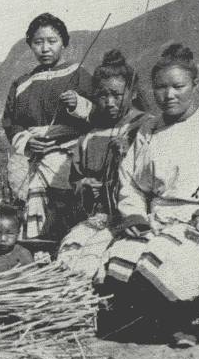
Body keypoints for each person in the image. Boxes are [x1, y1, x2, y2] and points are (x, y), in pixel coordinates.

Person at [94, 44, 199, 346]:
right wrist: (136, 215)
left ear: (195, 85)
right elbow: (130, 181)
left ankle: (181, 320)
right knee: (119, 258)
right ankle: (159, 320)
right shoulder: (148, 129)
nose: (169, 95)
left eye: (178, 86)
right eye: (161, 88)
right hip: (156, 218)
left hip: (198, 219)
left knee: (167, 259)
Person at [2, 13, 93, 249]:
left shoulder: (79, 75)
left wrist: (77, 104)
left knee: (68, 214)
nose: (45, 48)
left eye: (52, 41)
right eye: (38, 42)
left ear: (64, 42)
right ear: (30, 45)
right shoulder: (22, 83)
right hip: (35, 159)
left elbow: (99, 112)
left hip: (69, 159)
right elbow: (11, 122)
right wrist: (28, 142)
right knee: (38, 216)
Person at [57, 50, 147, 276]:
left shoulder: (145, 127)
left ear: (133, 93)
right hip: (98, 217)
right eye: (102, 95)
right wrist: (84, 186)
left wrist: (128, 154)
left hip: (135, 219)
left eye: (117, 95)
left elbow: (156, 177)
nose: (109, 102)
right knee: (70, 253)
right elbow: (75, 180)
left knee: (106, 261)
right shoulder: (90, 136)